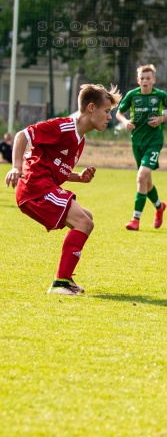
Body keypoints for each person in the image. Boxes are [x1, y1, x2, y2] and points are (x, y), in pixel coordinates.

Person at [5, 84, 122, 295]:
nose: (109, 117)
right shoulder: (64, 127)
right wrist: (15, 166)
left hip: (41, 187)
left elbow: (56, 167)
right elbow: (22, 135)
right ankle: (61, 282)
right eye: (106, 111)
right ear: (91, 108)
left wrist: (78, 177)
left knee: (87, 217)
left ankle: (65, 278)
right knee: (84, 223)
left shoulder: (80, 139)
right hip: (34, 187)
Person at [116, 64, 167, 231]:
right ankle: (159, 207)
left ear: (153, 80)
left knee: (141, 176)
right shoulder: (132, 95)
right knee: (147, 181)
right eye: (142, 78)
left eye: (148, 78)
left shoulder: (160, 95)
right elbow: (119, 113)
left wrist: (161, 119)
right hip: (137, 141)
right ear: (138, 80)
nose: (145, 81)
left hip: (154, 141)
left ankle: (135, 219)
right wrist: (125, 122)